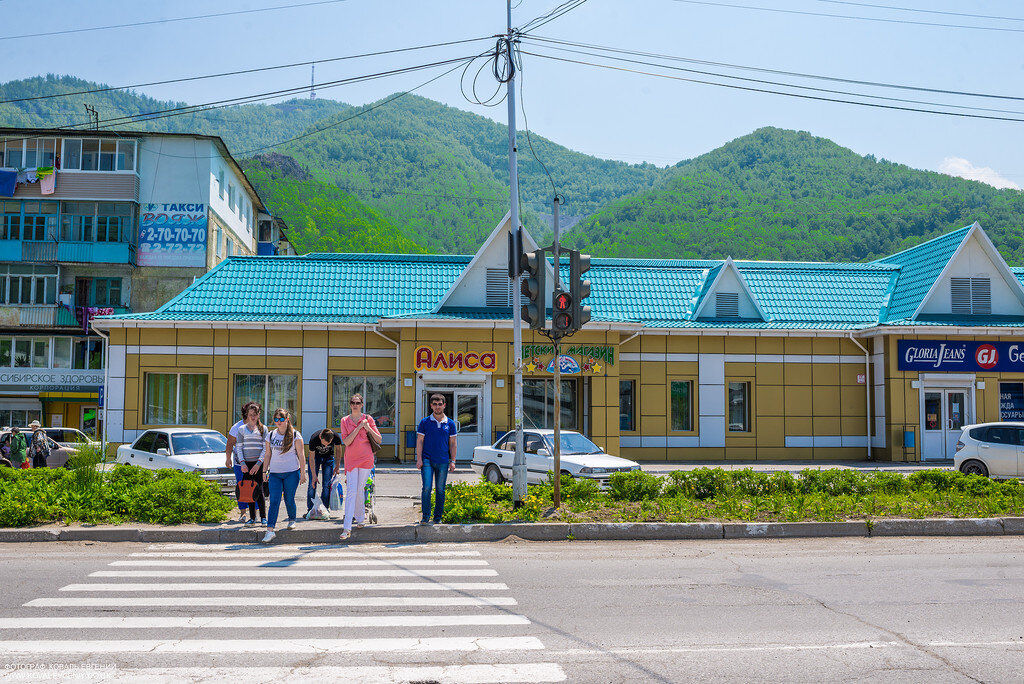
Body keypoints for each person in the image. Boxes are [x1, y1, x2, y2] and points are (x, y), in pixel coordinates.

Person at [338, 393, 381, 540]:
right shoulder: (345, 420)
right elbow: (347, 442)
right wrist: (358, 428)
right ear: (350, 405)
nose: (355, 405)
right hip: (351, 459)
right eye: (353, 403)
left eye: (358, 403)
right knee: (351, 492)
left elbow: (379, 438)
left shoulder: (368, 419)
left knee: (359, 489)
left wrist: (367, 427)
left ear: (362, 404)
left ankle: (361, 518)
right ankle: (347, 527)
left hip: (366, 459)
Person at [261, 408, 306, 543]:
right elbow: (267, 454)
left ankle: (292, 519)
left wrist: (303, 472)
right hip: (275, 473)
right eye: (276, 420)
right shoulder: (270, 435)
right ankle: (270, 530)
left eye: (281, 419)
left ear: (287, 420)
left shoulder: (295, 434)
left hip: (291, 472)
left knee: (289, 498)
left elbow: (301, 455)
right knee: (274, 501)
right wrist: (264, 471)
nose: (278, 422)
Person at [415, 393, 457, 526]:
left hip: (443, 461)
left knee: (440, 489)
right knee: (427, 488)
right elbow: (420, 441)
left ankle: (437, 517)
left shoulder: (450, 423)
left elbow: (453, 443)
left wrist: (453, 460)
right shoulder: (424, 422)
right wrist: (419, 459)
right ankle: (425, 517)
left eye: (440, 404)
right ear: (431, 406)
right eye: (435, 404)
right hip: (427, 460)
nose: (437, 407)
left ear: (444, 405)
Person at [227, 402, 267, 525]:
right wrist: (243, 463)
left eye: (255, 414)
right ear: (247, 415)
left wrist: (259, 464)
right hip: (245, 464)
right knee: (249, 491)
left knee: (259, 490)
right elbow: (238, 447)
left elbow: (265, 448)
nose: (253, 417)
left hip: (258, 464)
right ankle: (252, 518)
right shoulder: (241, 429)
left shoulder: (263, 429)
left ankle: (263, 517)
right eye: (250, 415)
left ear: (259, 414)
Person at [306, 427, 342, 519]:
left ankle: (325, 509)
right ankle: (311, 510)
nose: (326, 446)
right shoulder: (314, 439)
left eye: (328, 444)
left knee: (326, 484)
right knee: (312, 484)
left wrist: (337, 466)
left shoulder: (335, 436)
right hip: (316, 459)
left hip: (328, 459)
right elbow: (311, 458)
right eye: (325, 444)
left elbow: (338, 450)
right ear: (320, 437)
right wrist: (314, 475)